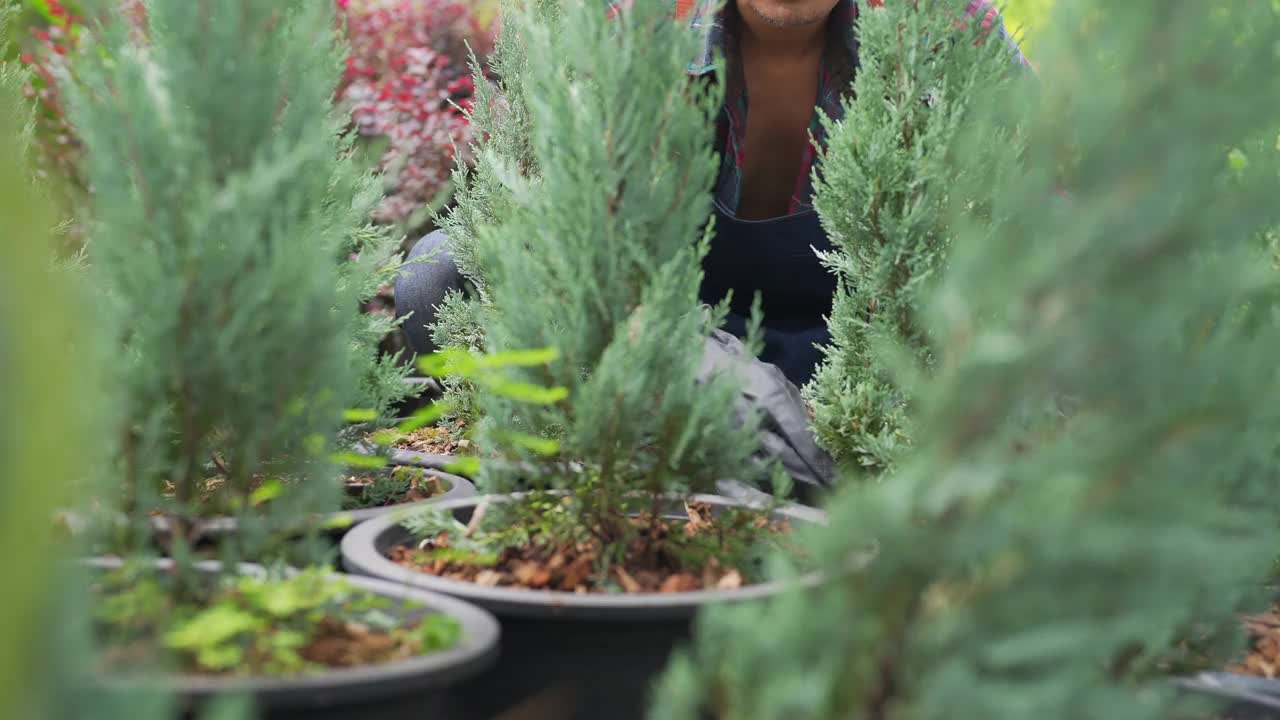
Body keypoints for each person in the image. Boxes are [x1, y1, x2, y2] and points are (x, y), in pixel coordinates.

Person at [396, 0, 1024, 498]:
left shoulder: (944, 23)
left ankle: (820, 458)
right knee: (438, 275)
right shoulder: (638, 19)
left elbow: (1049, 199)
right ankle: (658, 456)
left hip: (856, 345)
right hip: (672, 337)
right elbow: (539, 223)